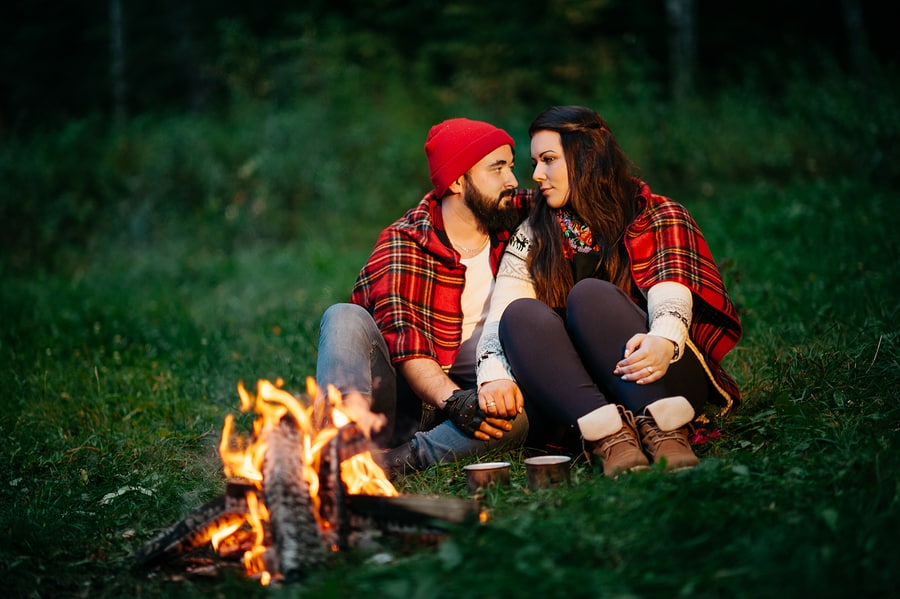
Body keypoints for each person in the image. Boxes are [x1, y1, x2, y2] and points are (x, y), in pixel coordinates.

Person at [475, 105, 742, 477]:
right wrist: (493, 371)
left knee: (589, 296)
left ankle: (666, 432)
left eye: (548, 160)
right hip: (586, 394)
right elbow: (504, 306)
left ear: (585, 157)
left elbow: (670, 285)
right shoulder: (536, 230)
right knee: (520, 313)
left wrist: (664, 339)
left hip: (661, 373)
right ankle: (610, 436)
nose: (536, 175)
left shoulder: (651, 213)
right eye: (536, 162)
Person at [314, 117, 534, 477]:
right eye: (497, 169)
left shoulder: (513, 219)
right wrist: (453, 400)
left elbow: (578, 197)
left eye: (511, 167)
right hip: (402, 401)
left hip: (474, 400)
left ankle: (387, 465)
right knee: (343, 317)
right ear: (458, 181)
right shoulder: (405, 243)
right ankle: (342, 442)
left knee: (517, 421)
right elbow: (407, 344)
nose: (512, 180)